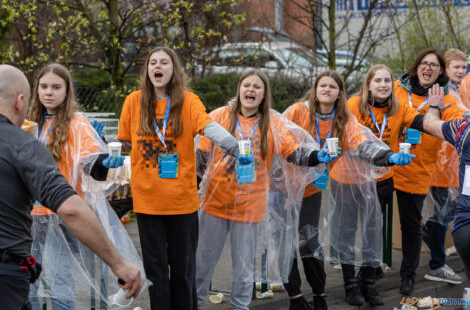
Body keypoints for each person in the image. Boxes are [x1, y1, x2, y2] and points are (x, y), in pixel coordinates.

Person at [0, 65, 142, 309]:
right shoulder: (27, 124)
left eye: (56, 87)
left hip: (60, 217)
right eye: (44, 86)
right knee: (29, 284)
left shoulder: (77, 124)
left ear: (68, 92)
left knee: (59, 282)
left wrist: (104, 162)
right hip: (28, 218)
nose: (49, 93)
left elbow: (91, 163)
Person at [195, 69, 334, 310]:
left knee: (244, 264)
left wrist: (315, 156)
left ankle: (240, 306)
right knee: (202, 261)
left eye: (257, 87)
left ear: (263, 95)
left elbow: (293, 151)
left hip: (251, 205)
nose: (251, 90)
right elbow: (201, 156)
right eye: (246, 85)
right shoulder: (219, 116)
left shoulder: (273, 122)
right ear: (239, 90)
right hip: (215, 203)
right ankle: (192, 303)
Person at [117, 47, 241, 310]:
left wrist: (229, 142)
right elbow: (126, 145)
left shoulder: (188, 100)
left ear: (174, 69)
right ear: (147, 70)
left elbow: (205, 125)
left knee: (183, 271)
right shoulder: (133, 101)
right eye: (152, 63)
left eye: (163, 62)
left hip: (181, 203)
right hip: (147, 202)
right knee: (156, 272)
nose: (157, 67)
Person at [283, 70, 414, 309]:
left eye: (332, 87)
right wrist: (311, 156)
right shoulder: (298, 111)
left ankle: (319, 295)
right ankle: (295, 297)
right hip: (282, 188)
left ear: (340, 93)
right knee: (283, 240)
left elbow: (362, 143)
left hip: (311, 188)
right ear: (315, 88)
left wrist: (389, 157)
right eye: (322, 85)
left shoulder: (343, 119)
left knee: (309, 241)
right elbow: (282, 140)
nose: (326, 90)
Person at [392, 47, 462, 295]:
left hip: (416, 170)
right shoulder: (396, 88)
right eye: (424, 63)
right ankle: (370, 270)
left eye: (434, 65)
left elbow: (455, 122)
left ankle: (408, 275)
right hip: (386, 164)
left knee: (411, 227)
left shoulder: (443, 98)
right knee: (375, 219)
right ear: (416, 66)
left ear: (441, 71)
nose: (428, 68)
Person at [346, 64, 425, 280]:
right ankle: (350, 281)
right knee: (350, 230)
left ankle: (368, 276)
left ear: (393, 84)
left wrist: (448, 127)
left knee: (372, 231)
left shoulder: (397, 108)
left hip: (382, 180)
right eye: (377, 81)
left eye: (387, 81)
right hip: (354, 180)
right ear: (368, 85)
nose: (383, 85)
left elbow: (421, 121)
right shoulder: (353, 105)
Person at [422, 49, 467, 285]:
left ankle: (427, 232)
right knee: (443, 211)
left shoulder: (460, 90)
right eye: (455, 67)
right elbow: (447, 122)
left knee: (447, 211)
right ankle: (437, 264)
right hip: (442, 161)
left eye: (463, 67)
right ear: (445, 69)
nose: (460, 71)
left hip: (456, 161)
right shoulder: (442, 93)